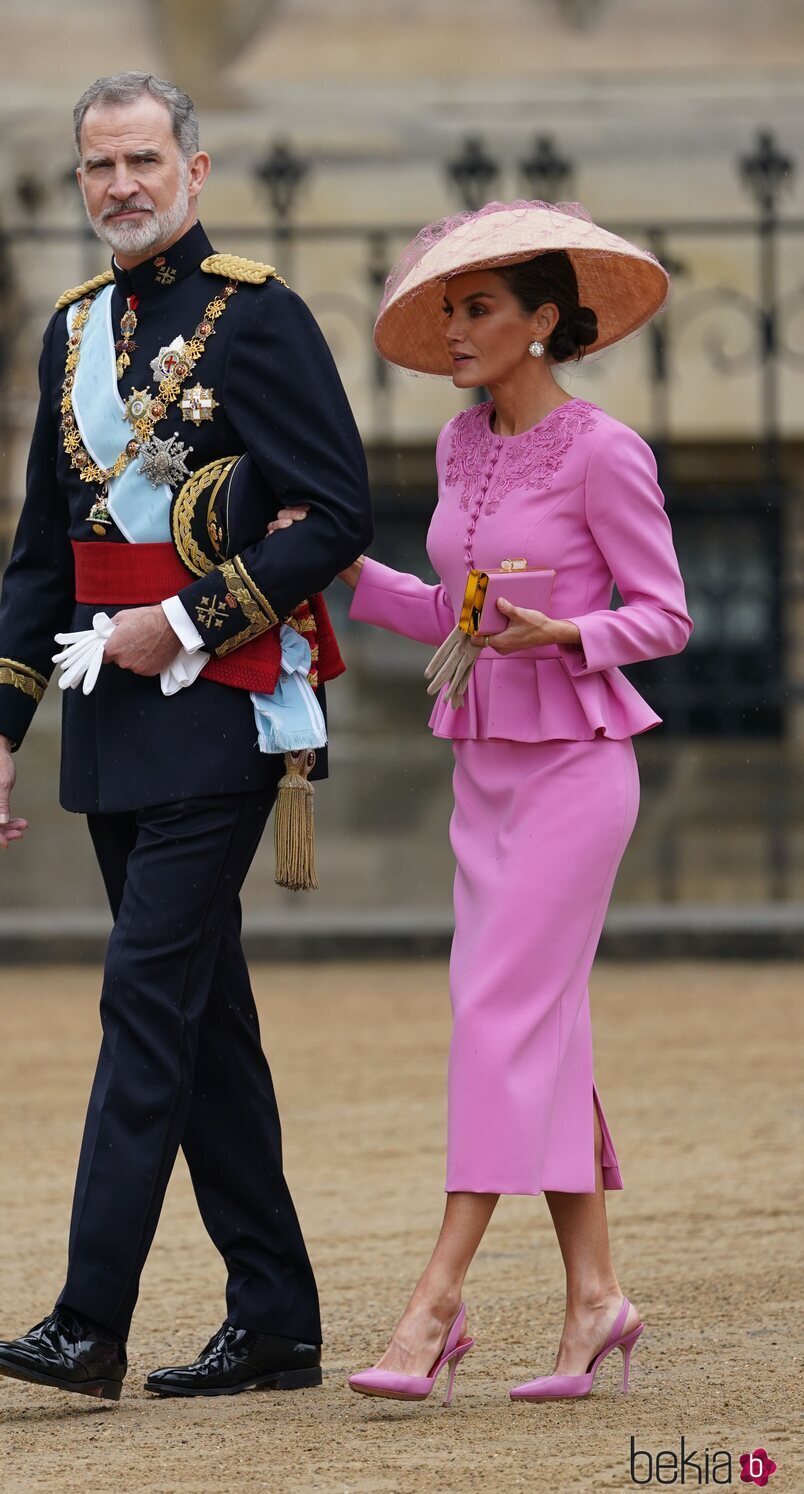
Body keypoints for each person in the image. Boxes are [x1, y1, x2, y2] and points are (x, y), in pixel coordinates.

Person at [0, 71, 372, 1402]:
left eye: (144, 159)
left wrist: (189, 621)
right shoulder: (71, 329)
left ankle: (89, 1318)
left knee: (144, 1000)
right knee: (204, 1024)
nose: (122, 185)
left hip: (221, 713)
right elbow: (44, 552)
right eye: (99, 166)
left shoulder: (260, 319)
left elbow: (335, 511)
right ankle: (278, 1316)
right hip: (104, 721)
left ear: (195, 171)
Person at [277, 200, 691, 1404]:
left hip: (574, 768)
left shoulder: (606, 449)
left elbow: (665, 615)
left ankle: (433, 1302)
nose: (453, 330)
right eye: (447, 310)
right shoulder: (460, 450)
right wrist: (344, 567)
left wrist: (570, 628)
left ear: (544, 321)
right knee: (533, 1026)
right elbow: (452, 611)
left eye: (478, 310)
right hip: (482, 770)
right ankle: (593, 1297)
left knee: (494, 1018)